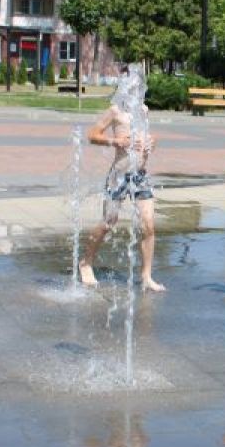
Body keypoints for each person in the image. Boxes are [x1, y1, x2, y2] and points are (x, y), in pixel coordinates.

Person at [77, 65, 165, 291]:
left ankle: (146, 276)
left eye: (139, 88)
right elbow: (92, 135)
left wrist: (151, 143)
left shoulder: (143, 110)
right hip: (119, 175)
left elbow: (144, 137)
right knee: (108, 222)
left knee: (148, 225)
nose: (136, 92)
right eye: (132, 88)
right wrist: (116, 142)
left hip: (140, 175)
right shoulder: (115, 111)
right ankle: (86, 262)